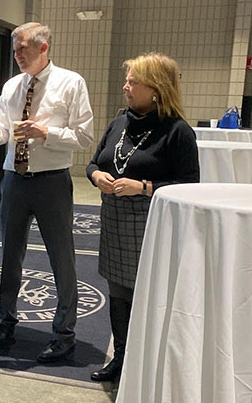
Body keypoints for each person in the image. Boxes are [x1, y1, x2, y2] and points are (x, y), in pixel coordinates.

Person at [0, 22, 94, 363]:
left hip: (52, 181)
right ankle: (5, 323)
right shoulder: (11, 87)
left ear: (44, 47)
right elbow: (0, 136)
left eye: (24, 49)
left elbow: (84, 136)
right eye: (15, 49)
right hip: (15, 180)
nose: (18, 55)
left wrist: (45, 132)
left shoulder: (70, 83)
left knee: (61, 258)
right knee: (9, 256)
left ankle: (64, 334)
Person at [86, 52, 199, 381]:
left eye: (133, 82)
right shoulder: (119, 121)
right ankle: (121, 358)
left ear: (156, 89)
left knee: (146, 297)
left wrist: (145, 186)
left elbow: (191, 185)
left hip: (151, 224)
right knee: (117, 293)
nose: (126, 87)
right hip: (115, 220)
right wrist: (97, 178)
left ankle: (145, 364)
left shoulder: (177, 132)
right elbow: (94, 163)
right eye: (128, 80)